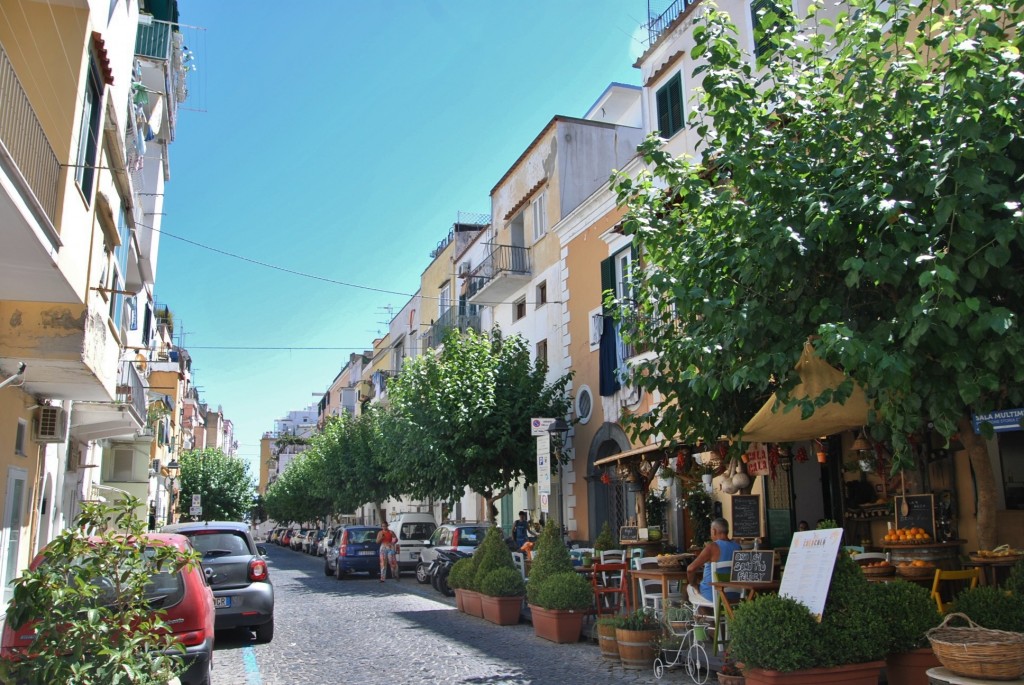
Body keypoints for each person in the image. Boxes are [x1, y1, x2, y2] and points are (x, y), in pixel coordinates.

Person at [686, 517, 742, 604]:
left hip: (713, 595)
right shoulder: (738, 547)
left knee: (690, 588)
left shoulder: (712, 547)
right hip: (735, 595)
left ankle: (703, 616)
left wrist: (695, 585)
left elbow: (690, 569)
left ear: (714, 531)